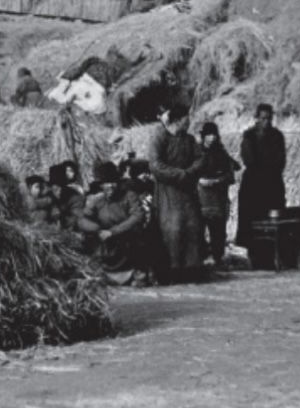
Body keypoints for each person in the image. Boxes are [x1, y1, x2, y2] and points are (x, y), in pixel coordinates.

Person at [149, 103, 206, 283]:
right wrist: (179, 174)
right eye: (186, 119)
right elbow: (155, 165)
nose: (189, 122)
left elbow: (201, 159)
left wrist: (189, 173)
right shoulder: (159, 138)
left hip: (188, 193)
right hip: (168, 193)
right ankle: (171, 272)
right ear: (177, 120)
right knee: (172, 229)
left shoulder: (190, 140)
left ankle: (192, 270)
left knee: (193, 227)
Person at [77, 161, 148, 284]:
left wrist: (112, 232)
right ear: (101, 185)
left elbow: (138, 216)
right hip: (105, 243)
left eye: (113, 182)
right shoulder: (97, 200)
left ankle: (135, 274)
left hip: (126, 239)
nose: (110, 186)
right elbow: (82, 219)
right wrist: (96, 229)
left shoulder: (129, 196)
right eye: (106, 183)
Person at [235, 104, 287, 250]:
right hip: (253, 183)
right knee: (252, 217)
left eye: (269, 118)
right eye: (263, 118)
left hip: (273, 182)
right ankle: (253, 251)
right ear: (257, 118)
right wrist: (264, 169)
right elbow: (249, 160)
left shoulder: (277, 136)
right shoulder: (249, 136)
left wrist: (271, 171)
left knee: (273, 217)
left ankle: (272, 249)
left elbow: (281, 160)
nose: (266, 122)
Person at [197, 122, 240, 269]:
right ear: (203, 136)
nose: (212, 138)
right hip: (199, 199)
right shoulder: (196, 152)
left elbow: (231, 175)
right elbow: (188, 173)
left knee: (218, 232)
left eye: (214, 134)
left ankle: (218, 259)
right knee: (198, 232)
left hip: (218, 200)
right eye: (209, 134)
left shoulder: (221, 153)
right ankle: (200, 260)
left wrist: (216, 181)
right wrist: (199, 180)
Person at [48, 163, 85, 231]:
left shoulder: (75, 197)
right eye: (55, 188)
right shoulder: (48, 196)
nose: (59, 191)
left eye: (61, 187)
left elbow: (78, 216)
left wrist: (63, 219)